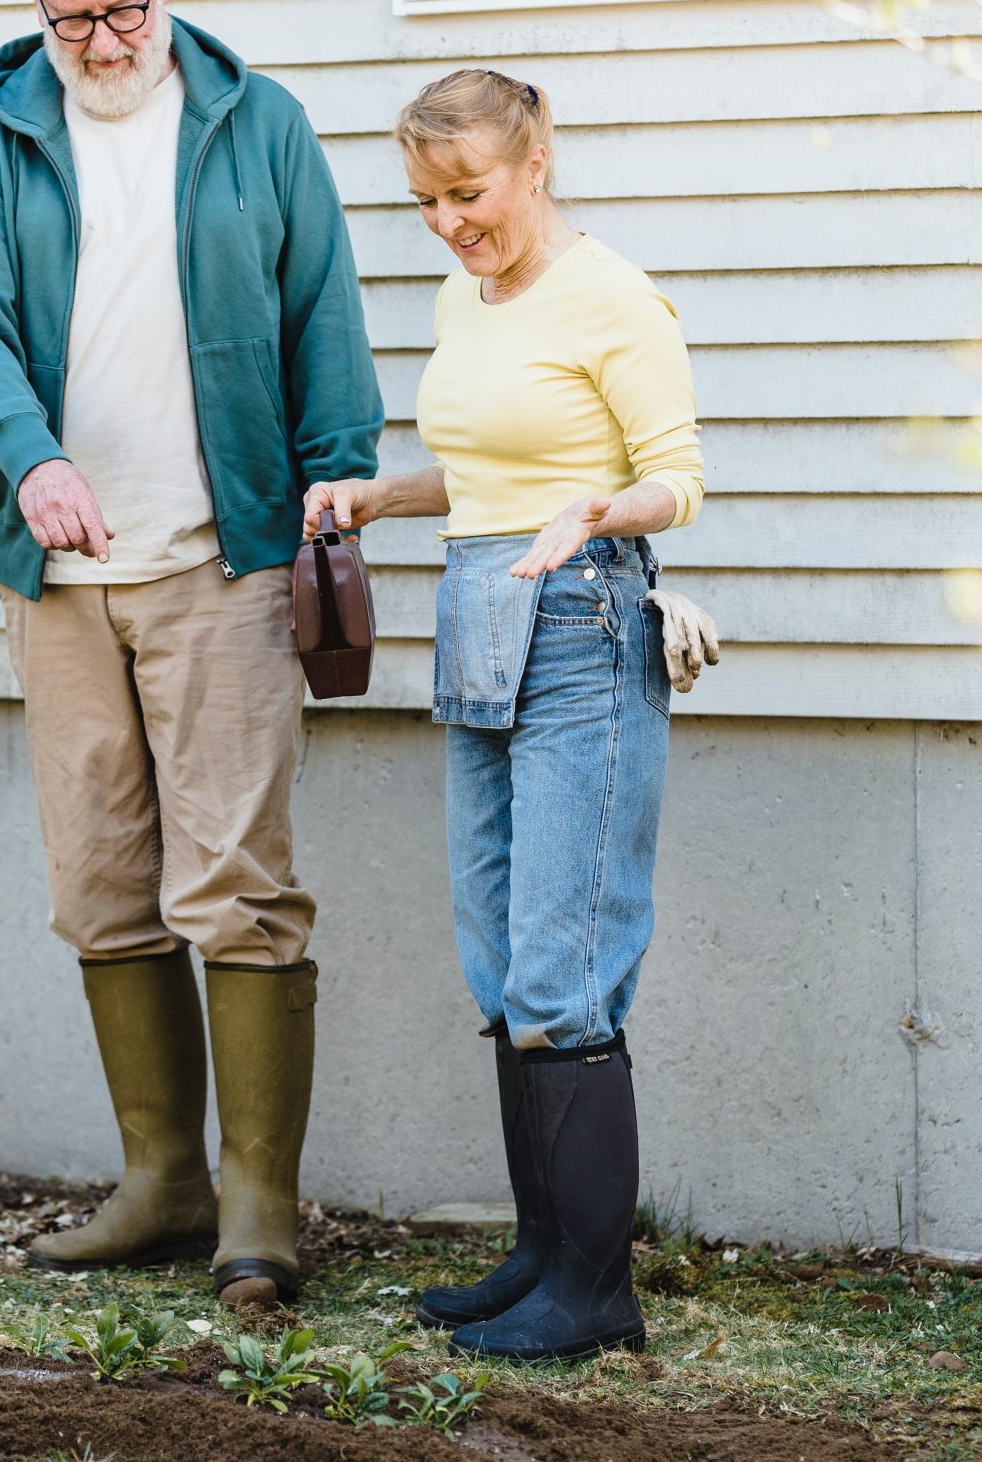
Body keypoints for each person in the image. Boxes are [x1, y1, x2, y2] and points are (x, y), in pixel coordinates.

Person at [0, 0, 383, 1308]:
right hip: (60, 582)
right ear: (39, 16)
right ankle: (161, 1185)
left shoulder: (263, 126)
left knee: (238, 888)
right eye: (75, 20)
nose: (106, 42)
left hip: (223, 558)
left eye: (126, 9)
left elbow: (328, 315)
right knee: (101, 888)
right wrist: (30, 454)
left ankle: (260, 1206)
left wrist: (339, 474)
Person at [303, 69, 706, 1361]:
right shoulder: (464, 295)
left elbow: (676, 483)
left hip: (582, 620)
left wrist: (595, 512)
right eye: (425, 200)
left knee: (563, 960)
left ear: (534, 164)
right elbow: (486, 472)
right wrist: (376, 497)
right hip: (483, 612)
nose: (448, 221)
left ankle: (595, 1295)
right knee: (499, 958)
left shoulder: (615, 297)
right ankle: (542, 1260)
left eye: (466, 193)